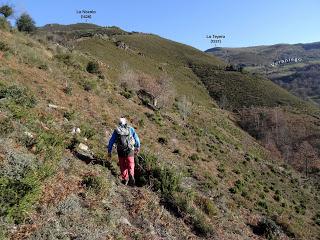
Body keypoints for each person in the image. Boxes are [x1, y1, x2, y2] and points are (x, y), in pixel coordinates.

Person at [107, 117, 140, 185]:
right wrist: (137, 147)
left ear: (119, 123)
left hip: (121, 150)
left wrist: (109, 151)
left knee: (122, 165)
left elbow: (111, 141)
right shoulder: (130, 129)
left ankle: (125, 179)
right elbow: (136, 139)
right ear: (126, 122)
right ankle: (131, 175)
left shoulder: (117, 130)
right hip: (130, 149)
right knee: (131, 163)